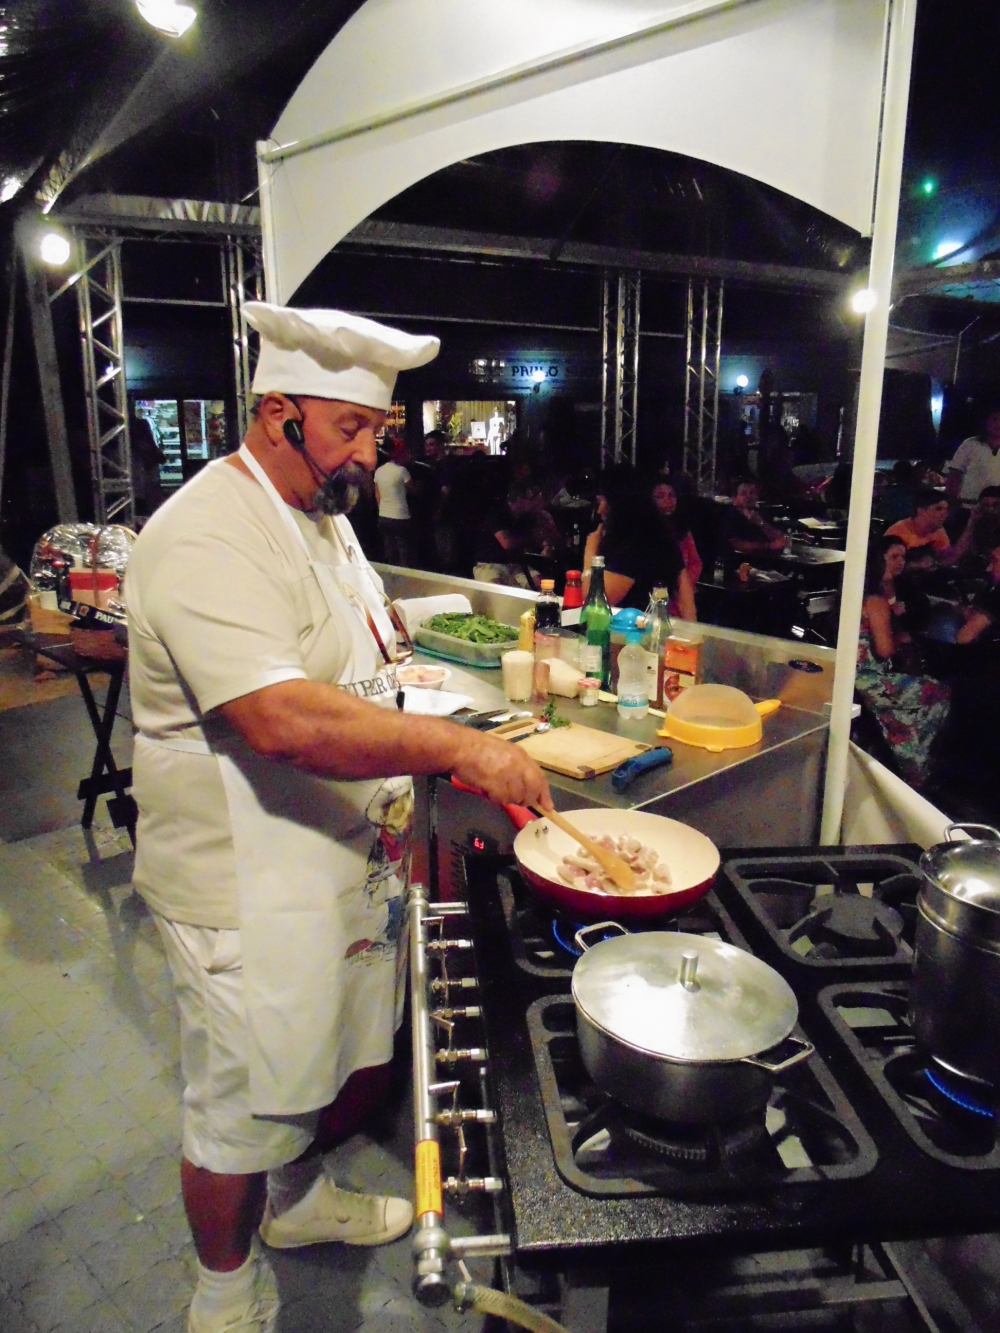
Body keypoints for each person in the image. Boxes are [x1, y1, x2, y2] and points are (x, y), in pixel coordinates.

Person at [125, 304, 550, 1333]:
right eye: (350, 428)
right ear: (278, 412)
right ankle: (222, 1295)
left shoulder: (323, 517)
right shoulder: (206, 532)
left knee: (314, 1055)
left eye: (377, 429)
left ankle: (298, 1199)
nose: (369, 452)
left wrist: (441, 723)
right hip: (238, 880)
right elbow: (279, 718)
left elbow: (366, 661)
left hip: (330, 857)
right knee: (237, 1103)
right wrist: (455, 748)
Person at [854, 535, 950, 788]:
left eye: (902, 557)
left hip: (852, 676)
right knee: (939, 692)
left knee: (907, 712)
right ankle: (916, 768)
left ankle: (906, 765)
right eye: (892, 557)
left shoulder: (851, 595)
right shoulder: (874, 601)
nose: (900, 563)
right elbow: (885, 649)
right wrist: (899, 637)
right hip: (871, 679)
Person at [584, 468, 696, 618]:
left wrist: (591, 549)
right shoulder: (660, 534)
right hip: (655, 625)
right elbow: (687, 604)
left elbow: (594, 601)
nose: (599, 510)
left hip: (629, 629)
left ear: (618, 505)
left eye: (602, 502)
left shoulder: (630, 545)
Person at [473, 479, 564, 587]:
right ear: (519, 498)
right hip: (490, 564)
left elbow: (545, 538)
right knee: (497, 588)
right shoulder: (498, 513)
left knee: (542, 585)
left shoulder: (527, 517)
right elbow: (507, 543)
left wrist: (547, 543)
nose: (533, 502)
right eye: (530, 499)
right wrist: (533, 538)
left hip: (516, 565)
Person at [652, 478, 703, 609]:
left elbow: (695, 563)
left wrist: (683, 587)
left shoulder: (682, 530)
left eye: (671, 495)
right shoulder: (644, 531)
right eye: (660, 496)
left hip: (680, 598)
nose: (667, 500)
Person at [718, 478, 789, 563]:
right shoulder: (731, 515)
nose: (748, 496)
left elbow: (781, 537)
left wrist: (761, 523)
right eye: (743, 493)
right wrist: (768, 546)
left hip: (767, 561)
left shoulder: (762, 513)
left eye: (752, 493)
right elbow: (736, 544)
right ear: (735, 499)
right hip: (741, 562)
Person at [885, 487, 956, 566]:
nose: (944, 514)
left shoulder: (938, 530)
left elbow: (949, 558)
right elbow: (888, 567)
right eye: (938, 509)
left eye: (946, 510)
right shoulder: (898, 532)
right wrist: (918, 565)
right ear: (921, 511)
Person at [945, 408, 1000, 507]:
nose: (998, 424)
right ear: (986, 421)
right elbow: (954, 474)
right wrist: (951, 500)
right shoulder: (970, 444)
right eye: (994, 419)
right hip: (967, 504)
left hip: (996, 508)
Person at [373, 439, 415, 567]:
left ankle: (392, 574)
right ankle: (405, 575)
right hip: (400, 515)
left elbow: (377, 494)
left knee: (390, 550)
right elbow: (412, 489)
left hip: (384, 515)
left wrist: (382, 507)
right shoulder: (402, 471)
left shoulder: (379, 471)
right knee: (404, 551)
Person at [950, 485, 1000, 575]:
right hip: (979, 570)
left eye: (995, 505)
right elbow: (958, 553)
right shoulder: (976, 522)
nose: (990, 509)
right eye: (986, 505)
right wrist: (972, 522)